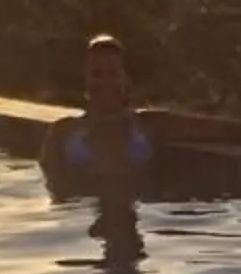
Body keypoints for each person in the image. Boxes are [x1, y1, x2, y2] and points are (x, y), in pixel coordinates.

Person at [40, 36, 156, 197]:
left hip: (134, 206)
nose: (104, 81)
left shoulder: (148, 124)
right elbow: (52, 185)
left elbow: (202, 128)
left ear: (126, 79)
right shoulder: (62, 132)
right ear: (85, 80)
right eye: (96, 74)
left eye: (113, 73)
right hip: (78, 212)